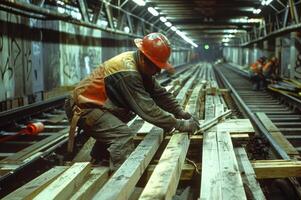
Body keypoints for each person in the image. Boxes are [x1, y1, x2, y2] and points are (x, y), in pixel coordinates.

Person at [64, 32, 200, 171]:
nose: (159, 71)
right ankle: (119, 179)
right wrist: (179, 124)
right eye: (156, 66)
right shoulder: (129, 73)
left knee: (125, 115)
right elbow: (147, 110)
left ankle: (100, 157)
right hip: (84, 107)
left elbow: (160, 94)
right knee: (122, 136)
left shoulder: (140, 65)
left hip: (98, 105)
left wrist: (181, 112)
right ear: (143, 59)